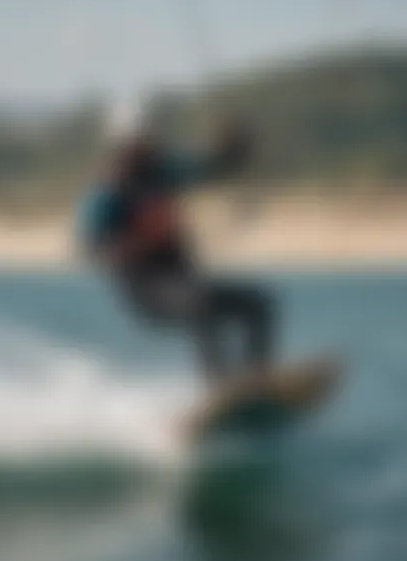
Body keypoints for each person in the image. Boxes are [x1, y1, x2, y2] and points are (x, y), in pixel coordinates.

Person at [77, 102, 276, 385]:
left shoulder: (165, 171)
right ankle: (219, 386)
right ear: (121, 145)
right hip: (146, 290)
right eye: (139, 141)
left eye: (149, 138)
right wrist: (138, 241)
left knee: (259, 304)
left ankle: (258, 379)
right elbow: (89, 249)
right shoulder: (109, 193)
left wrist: (235, 145)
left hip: (185, 280)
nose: (148, 146)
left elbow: (218, 166)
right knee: (201, 304)